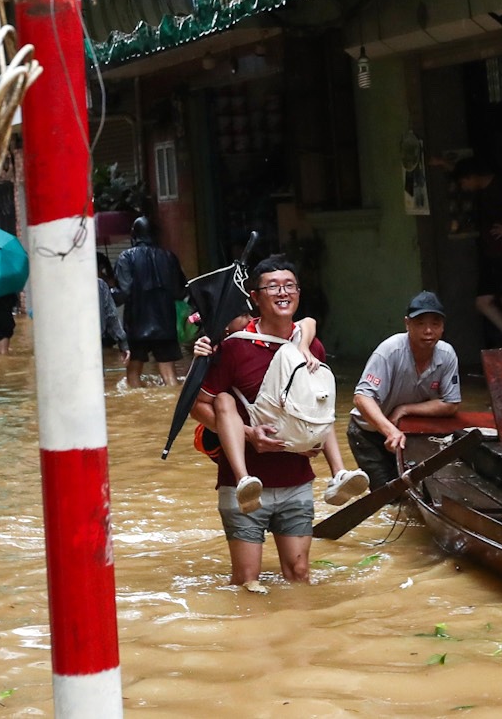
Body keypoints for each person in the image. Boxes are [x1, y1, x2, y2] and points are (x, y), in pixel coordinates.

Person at [192, 257, 369, 589]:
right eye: (272, 286)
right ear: (255, 297)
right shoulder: (233, 348)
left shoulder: (310, 343)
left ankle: (339, 473)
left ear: (298, 294)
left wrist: (308, 439)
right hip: (243, 487)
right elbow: (200, 407)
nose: (282, 292)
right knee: (246, 582)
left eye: (289, 286)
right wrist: (249, 435)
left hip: (296, 482)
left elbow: (317, 410)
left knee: (300, 577)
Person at [349, 292, 461, 489]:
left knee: (414, 490)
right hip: (368, 432)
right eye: (420, 323)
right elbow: (361, 398)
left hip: (406, 430)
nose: (428, 331)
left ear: (442, 327)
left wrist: (405, 409)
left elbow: (451, 404)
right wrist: (390, 430)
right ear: (407, 324)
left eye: (435, 324)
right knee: (387, 497)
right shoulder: (390, 351)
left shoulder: (447, 354)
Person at [457, 159, 502, 365]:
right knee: (493, 302)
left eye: (463, 183)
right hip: (494, 255)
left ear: (471, 177)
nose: (464, 188)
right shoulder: (487, 191)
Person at [113, 217, 184, 389]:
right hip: (165, 325)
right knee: (170, 379)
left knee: (132, 378)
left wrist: (108, 297)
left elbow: (124, 291)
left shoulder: (126, 257)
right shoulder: (169, 257)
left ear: (134, 234)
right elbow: (180, 291)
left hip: (136, 325)